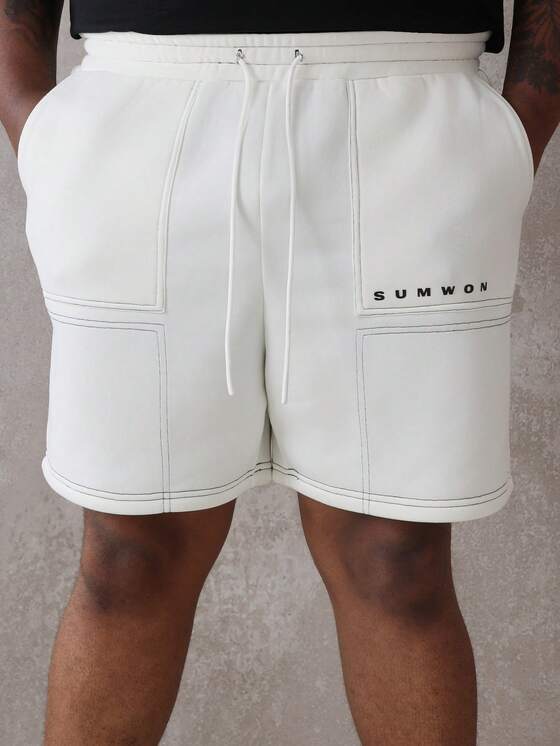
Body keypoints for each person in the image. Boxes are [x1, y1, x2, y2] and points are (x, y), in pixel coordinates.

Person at [1, 0, 558, 743]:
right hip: (138, 120)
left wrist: (521, 129)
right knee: (130, 554)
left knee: (395, 559)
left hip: (412, 117)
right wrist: (33, 123)